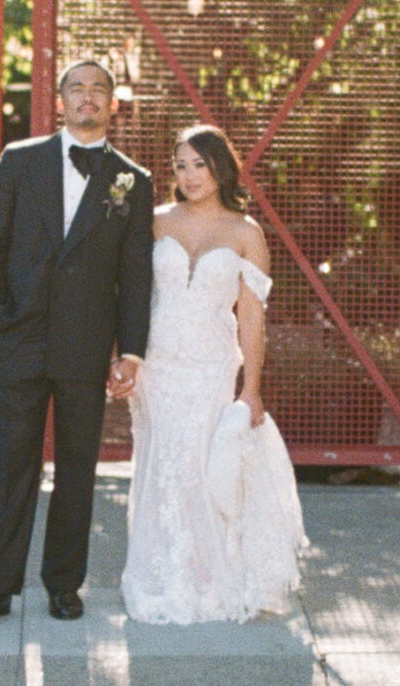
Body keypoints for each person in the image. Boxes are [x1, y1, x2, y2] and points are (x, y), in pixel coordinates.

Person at [0, 58, 155, 629]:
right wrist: (0, 321)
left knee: (77, 468)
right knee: (11, 465)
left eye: (100, 89)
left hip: (85, 347)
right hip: (20, 343)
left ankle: (63, 585)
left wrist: (131, 349)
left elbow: (135, 272)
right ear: (60, 101)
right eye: (78, 88)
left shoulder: (131, 181)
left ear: (113, 104)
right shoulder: (20, 161)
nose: (88, 98)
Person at [120, 124, 305, 624]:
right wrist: (126, 357)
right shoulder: (154, 221)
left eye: (200, 164)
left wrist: (253, 390)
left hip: (212, 367)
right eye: (180, 165)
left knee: (206, 469)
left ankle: (208, 575)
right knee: (163, 466)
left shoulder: (246, 233)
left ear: (220, 168)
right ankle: (162, 573)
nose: (190, 175)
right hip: (158, 366)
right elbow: (133, 296)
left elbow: (251, 317)